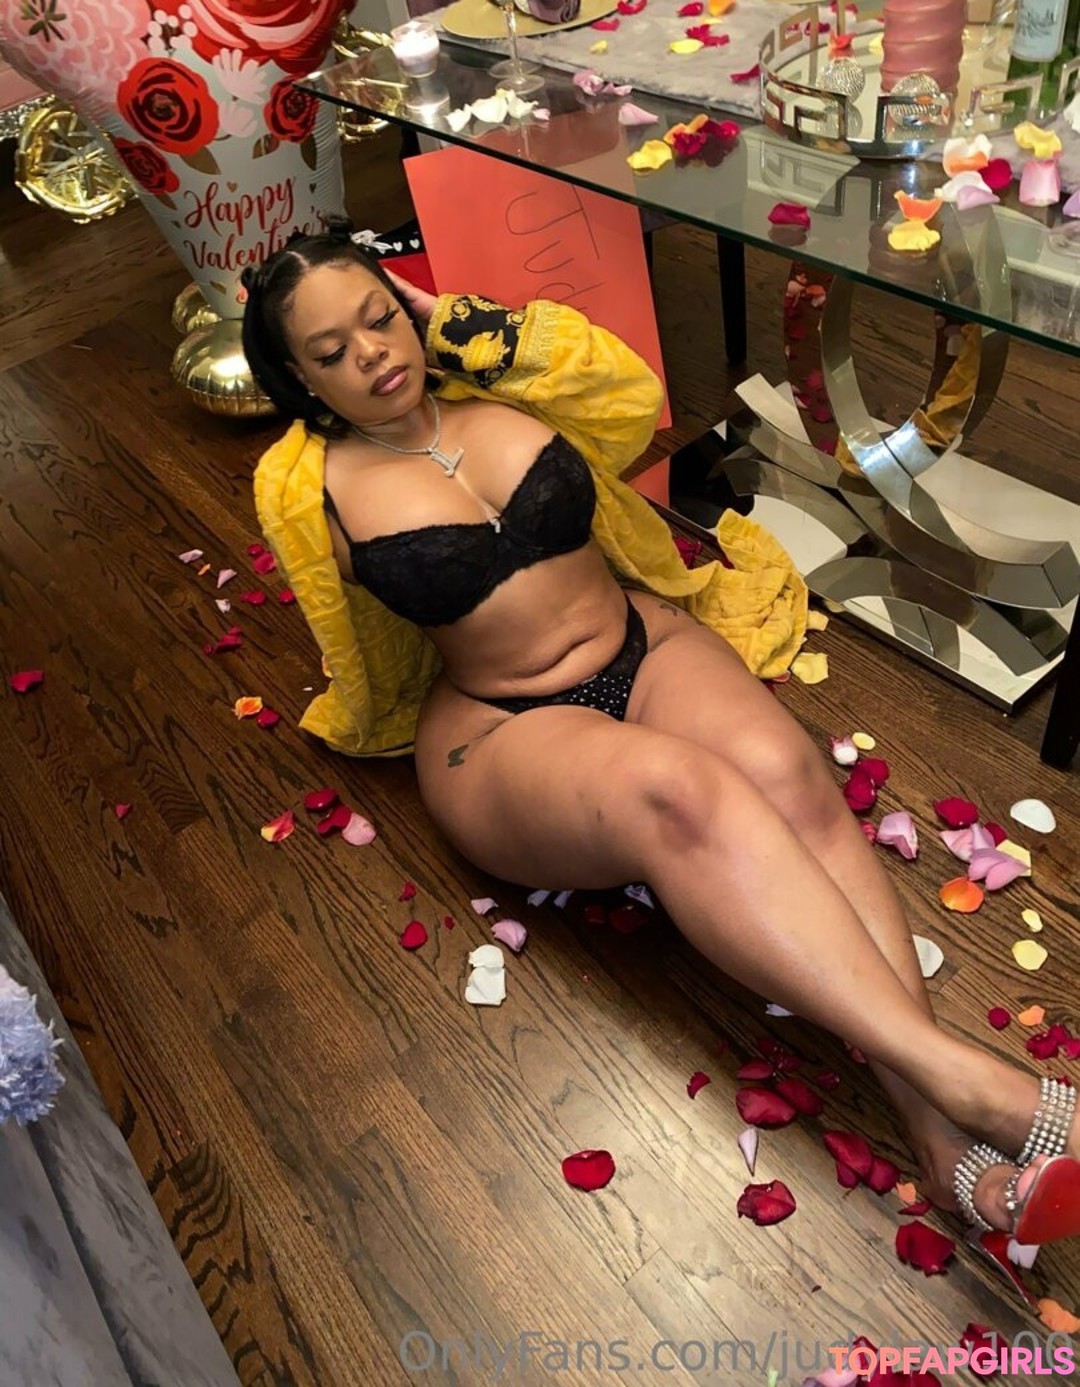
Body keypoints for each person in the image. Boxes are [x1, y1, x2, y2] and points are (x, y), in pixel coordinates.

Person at [242, 220, 1080, 1262]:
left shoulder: (501, 384)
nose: (373, 353)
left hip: (640, 645)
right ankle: (992, 1088)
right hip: (501, 730)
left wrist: (461, 325)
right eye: (332, 350)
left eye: (381, 317)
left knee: (785, 771)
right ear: (300, 377)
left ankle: (937, 1129)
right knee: (681, 789)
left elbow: (631, 400)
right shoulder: (310, 489)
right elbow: (353, 638)